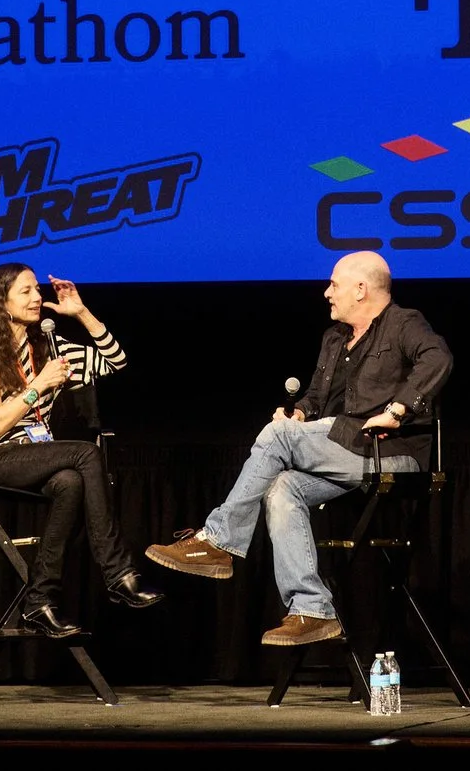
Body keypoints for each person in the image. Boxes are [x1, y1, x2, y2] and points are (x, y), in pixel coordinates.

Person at [145, 251, 452, 646]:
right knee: (281, 487)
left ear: (361, 289)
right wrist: (302, 415)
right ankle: (311, 608)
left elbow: (438, 358)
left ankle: (218, 542)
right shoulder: (334, 338)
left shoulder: (404, 323)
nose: (327, 293)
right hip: (343, 450)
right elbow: (317, 398)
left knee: (276, 437)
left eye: (335, 285)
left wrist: (398, 409)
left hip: (390, 454)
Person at [0, 262, 162, 636]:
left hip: (39, 456)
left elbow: (115, 361)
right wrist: (38, 385)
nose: (38, 297)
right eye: (26, 291)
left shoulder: (49, 346)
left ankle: (39, 601)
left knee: (70, 481)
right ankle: (118, 572)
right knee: (86, 454)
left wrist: (81, 312)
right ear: (1, 302)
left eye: (38, 290)